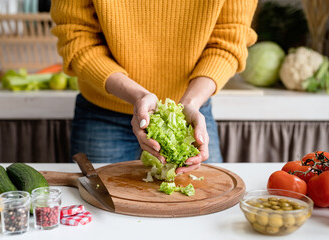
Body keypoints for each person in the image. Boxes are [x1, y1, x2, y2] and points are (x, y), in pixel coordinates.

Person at [50, 0, 257, 174]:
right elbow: (76, 37)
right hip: (104, 115)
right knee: (97, 209)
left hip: (190, 116)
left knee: (207, 205)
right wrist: (138, 95)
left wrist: (189, 103)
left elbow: (229, 41)